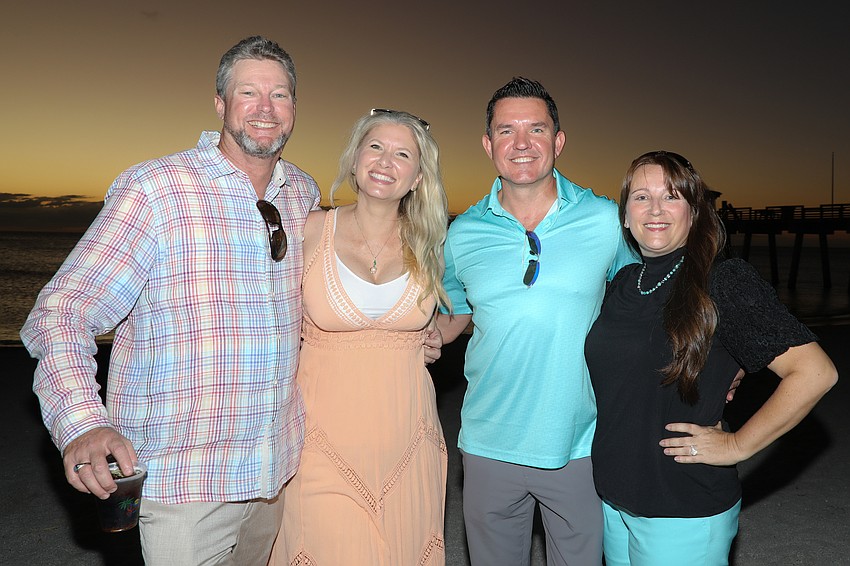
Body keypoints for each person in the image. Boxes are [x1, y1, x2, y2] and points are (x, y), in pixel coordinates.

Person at [20, 36, 322, 565]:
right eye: (248, 92)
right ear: (220, 104)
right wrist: (84, 422)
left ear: (295, 107)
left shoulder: (302, 192)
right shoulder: (157, 189)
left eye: (280, 94)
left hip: (276, 473)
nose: (265, 108)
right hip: (185, 481)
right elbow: (62, 311)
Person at [584, 150, 838, 565]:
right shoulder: (624, 284)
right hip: (614, 499)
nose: (655, 209)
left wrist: (738, 444)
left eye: (672, 197)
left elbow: (814, 371)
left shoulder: (722, 281)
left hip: (682, 505)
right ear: (625, 216)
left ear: (695, 212)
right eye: (641, 197)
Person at [437, 77, 636, 565]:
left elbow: (658, 296)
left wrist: (719, 360)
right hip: (486, 443)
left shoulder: (606, 221)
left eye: (536, 129)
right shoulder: (461, 233)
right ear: (488, 145)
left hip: (580, 442)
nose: (521, 144)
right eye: (506, 131)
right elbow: (455, 312)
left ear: (558, 141)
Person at [268, 109, 450, 565]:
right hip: (320, 441)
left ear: (418, 177)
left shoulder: (434, 242)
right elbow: (261, 313)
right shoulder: (309, 230)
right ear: (353, 160)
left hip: (409, 441)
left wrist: (440, 333)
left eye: (402, 153)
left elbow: (474, 301)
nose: (386, 161)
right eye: (375, 147)